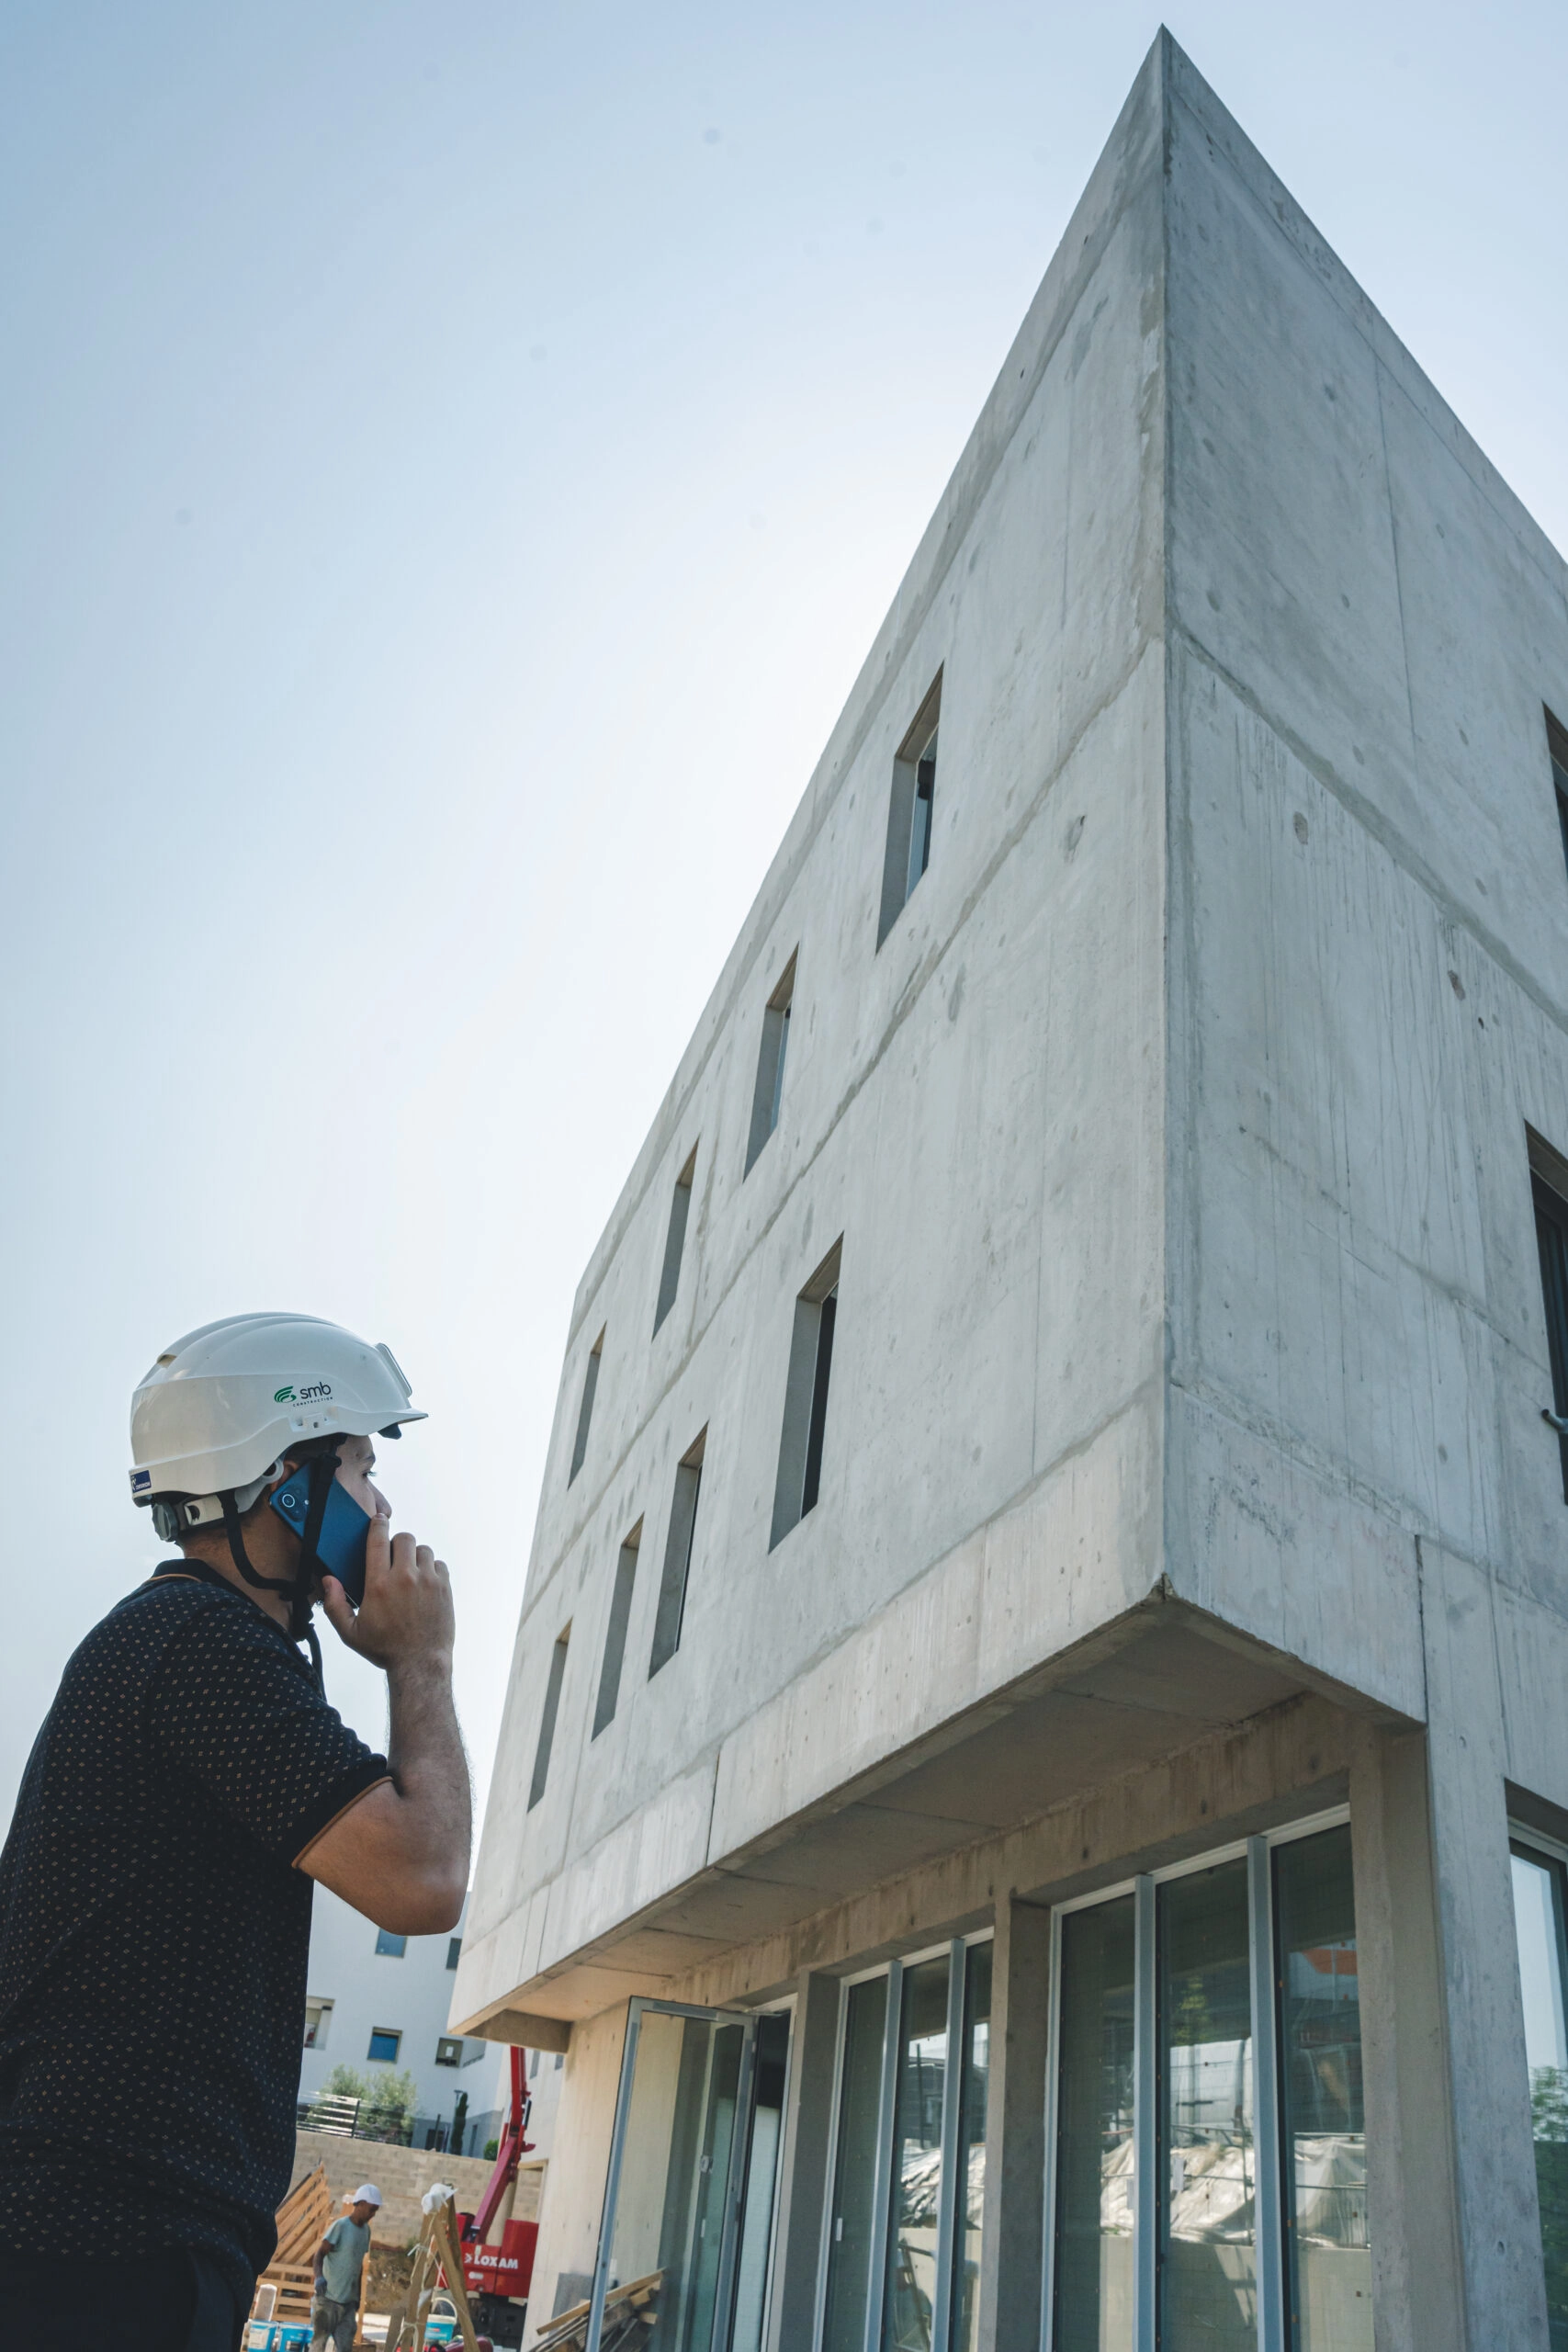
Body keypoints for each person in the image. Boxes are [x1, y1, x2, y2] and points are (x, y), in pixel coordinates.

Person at [0, 1314, 471, 2351]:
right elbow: (424, 1876)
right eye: (358, 1464)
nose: (380, 1502)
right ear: (286, 1481)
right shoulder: (200, 1645)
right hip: (112, 2255)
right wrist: (421, 1661)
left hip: (102, 2247)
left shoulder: (177, 1639)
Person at [311, 2184, 382, 2351]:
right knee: (318, 2345)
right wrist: (319, 2277)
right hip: (327, 2301)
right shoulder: (341, 2226)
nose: (373, 2214)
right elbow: (319, 2254)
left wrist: (357, 2296)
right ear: (361, 2204)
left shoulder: (366, 2231)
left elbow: (357, 2265)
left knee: (344, 2348)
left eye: (375, 2211)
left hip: (347, 2305)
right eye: (371, 2209)